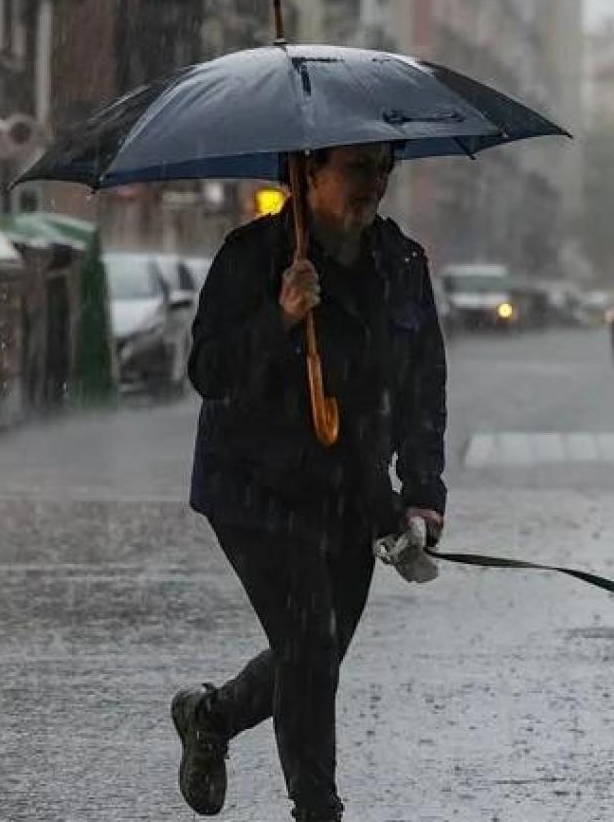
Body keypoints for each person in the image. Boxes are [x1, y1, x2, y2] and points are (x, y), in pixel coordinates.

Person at [170, 142, 447, 822]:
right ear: (307, 171)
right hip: (254, 488)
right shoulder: (252, 256)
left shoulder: (402, 263)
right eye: (357, 167)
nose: (374, 183)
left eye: (384, 167)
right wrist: (281, 317)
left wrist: (422, 494)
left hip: (352, 492)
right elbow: (209, 371)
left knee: (317, 655)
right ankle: (317, 810)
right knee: (310, 645)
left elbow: (422, 384)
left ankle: (211, 715)